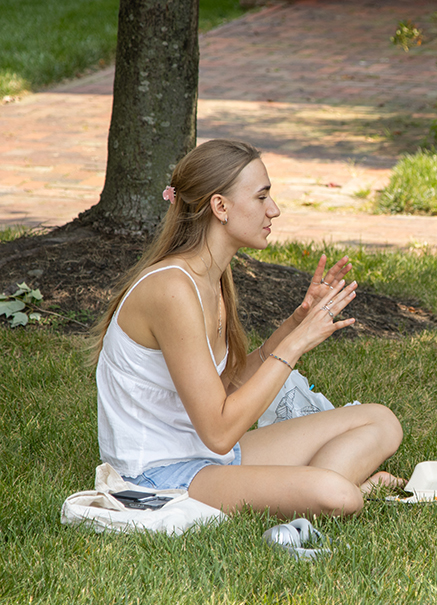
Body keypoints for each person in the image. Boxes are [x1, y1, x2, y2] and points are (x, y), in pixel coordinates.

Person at [91, 139, 404, 519]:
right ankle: (338, 487)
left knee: (381, 422)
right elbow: (220, 431)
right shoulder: (172, 289)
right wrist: (295, 346)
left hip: (207, 457)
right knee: (340, 497)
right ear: (220, 207)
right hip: (161, 477)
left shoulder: (212, 278)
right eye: (261, 197)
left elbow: (227, 386)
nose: (274, 210)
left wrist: (296, 322)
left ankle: (305, 488)